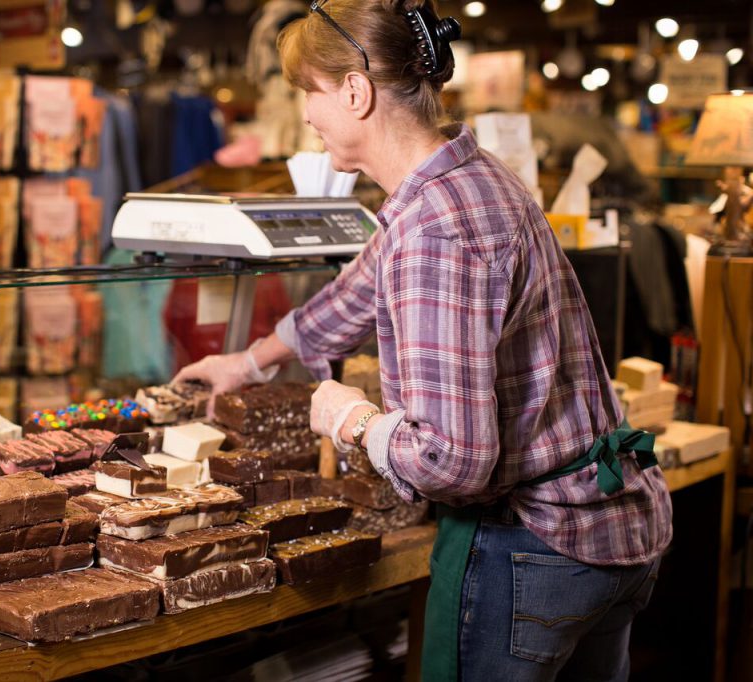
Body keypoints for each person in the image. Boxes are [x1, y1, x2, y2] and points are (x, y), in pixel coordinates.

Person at [175, 2, 672, 680]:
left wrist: (352, 420)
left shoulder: (434, 228)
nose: (307, 116)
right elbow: (358, 291)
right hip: (611, 528)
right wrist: (250, 360)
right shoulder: (465, 177)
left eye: (309, 94)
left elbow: (454, 462)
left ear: (355, 91)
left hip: (536, 547)